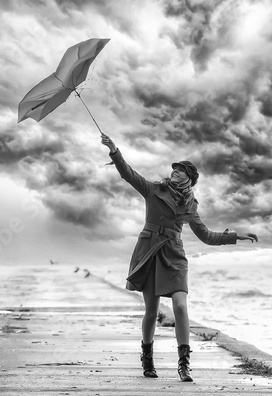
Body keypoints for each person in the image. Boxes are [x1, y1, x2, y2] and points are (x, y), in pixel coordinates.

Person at [101, 133, 258, 382]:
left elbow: (205, 235)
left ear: (190, 178)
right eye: (174, 168)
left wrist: (235, 237)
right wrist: (114, 150)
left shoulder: (190, 206)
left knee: (181, 306)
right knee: (151, 311)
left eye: (181, 170)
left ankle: (184, 365)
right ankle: (148, 359)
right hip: (150, 252)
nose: (175, 171)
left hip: (174, 255)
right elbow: (128, 174)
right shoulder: (153, 190)